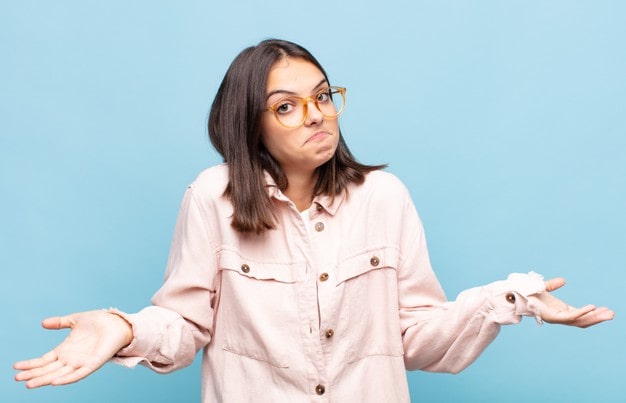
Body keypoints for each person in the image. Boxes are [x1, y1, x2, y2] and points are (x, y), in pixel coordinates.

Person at [14, 39, 614, 402]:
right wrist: (122, 328)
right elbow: (185, 325)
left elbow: (416, 339)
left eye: (323, 96)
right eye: (286, 106)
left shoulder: (385, 197)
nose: (316, 115)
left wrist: (510, 299)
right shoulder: (211, 197)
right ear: (250, 125)